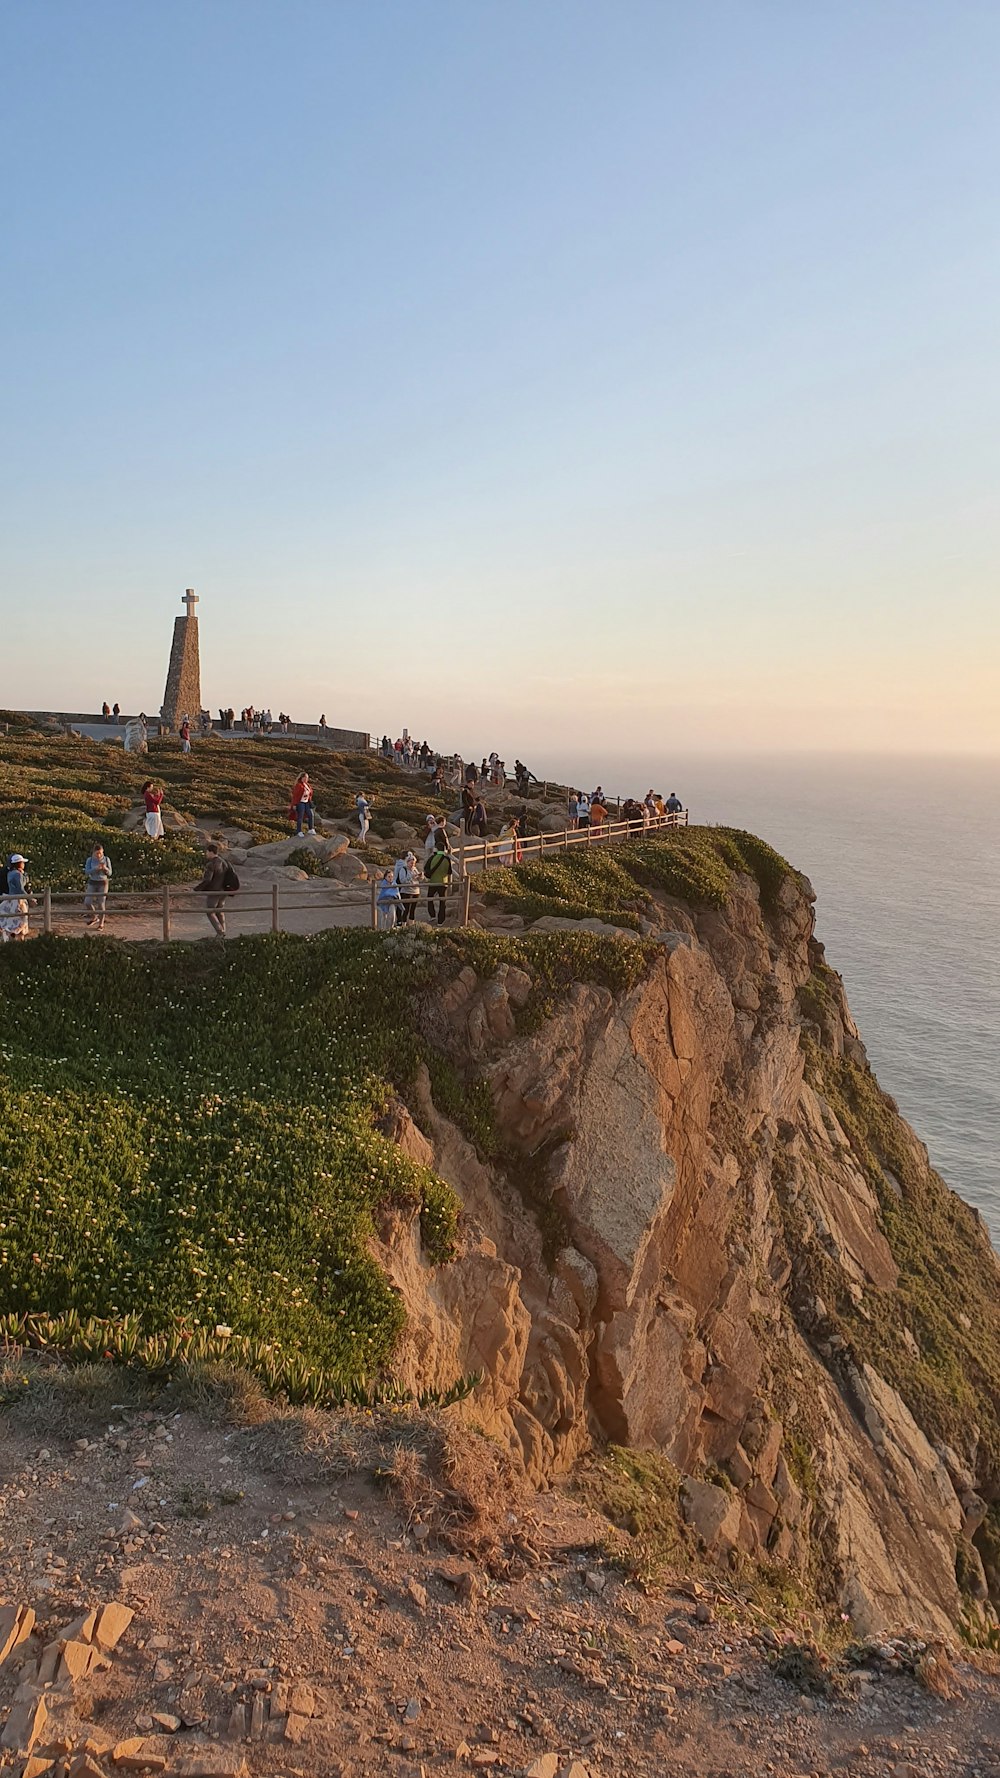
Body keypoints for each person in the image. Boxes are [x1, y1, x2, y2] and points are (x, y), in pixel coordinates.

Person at [195, 844, 229, 938]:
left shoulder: (211, 864)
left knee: (210, 911)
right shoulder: (224, 862)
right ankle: (223, 930)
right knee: (219, 911)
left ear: (210, 852)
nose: (206, 854)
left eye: (206, 852)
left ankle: (220, 931)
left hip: (214, 891)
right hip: (223, 890)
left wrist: (197, 889)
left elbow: (207, 879)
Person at [424, 829, 453, 925]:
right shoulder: (447, 859)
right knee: (442, 902)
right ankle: (441, 921)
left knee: (430, 898)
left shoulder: (432, 858)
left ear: (436, 849)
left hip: (433, 882)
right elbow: (449, 872)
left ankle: (432, 915)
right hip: (443, 883)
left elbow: (426, 869)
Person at [0, 854, 31, 942]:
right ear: (19, 864)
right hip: (18, 900)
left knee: (9, 919)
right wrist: (30, 898)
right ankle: (18, 940)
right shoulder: (18, 874)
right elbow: (20, 889)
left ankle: (7, 939)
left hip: (9, 898)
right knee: (21, 920)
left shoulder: (10, 873)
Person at [83, 844, 112, 931]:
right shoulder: (90, 860)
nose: (99, 855)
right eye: (97, 853)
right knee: (87, 902)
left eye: (100, 853)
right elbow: (87, 872)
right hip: (92, 882)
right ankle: (94, 917)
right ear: (94, 853)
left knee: (101, 903)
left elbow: (110, 873)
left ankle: (101, 924)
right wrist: (95, 869)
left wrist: (105, 869)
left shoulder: (106, 859)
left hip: (103, 883)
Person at [392, 851, 420, 923]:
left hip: (404, 886)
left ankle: (401, 921)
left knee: (402, 905)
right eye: (409, 855)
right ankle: (400, 921)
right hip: (402, 886)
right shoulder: (403, 866)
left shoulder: (409, 866)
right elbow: (401, 877)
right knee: (403, 905)